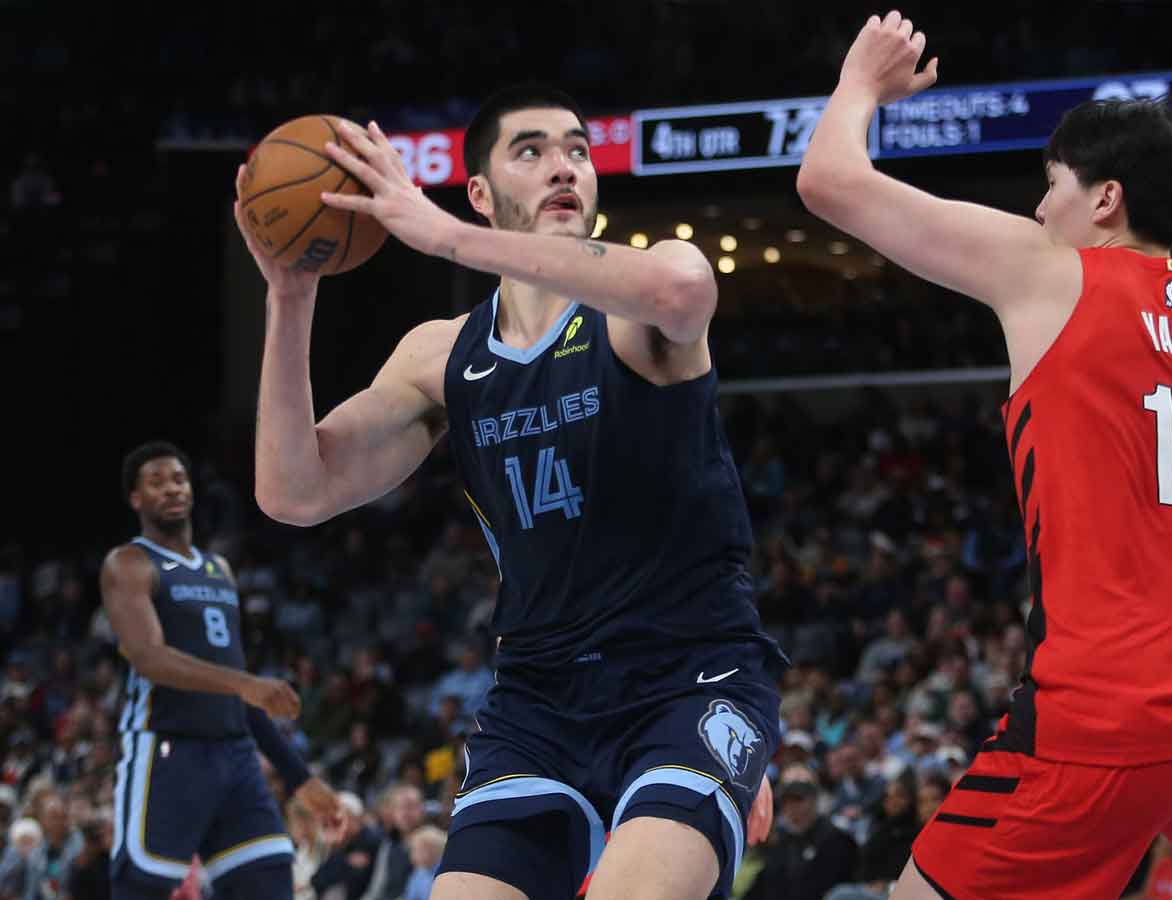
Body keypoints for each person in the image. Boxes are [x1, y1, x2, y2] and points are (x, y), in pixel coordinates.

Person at [797, 12, 1172, 898]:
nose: (1037, 206)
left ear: (1105, 199)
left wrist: (861, 80)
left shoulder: (1050, 271)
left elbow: (828, 181)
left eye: (1049, 184)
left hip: (1100, 722)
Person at [237, 83, 784, 900]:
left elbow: (682, 291)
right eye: (531, 152)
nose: (564, 167)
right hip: (539, 700)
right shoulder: (440, 354)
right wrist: (290, 296)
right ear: (484, 194)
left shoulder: (637, 302)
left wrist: (446, 238)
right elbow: (293, 491)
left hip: (688, 679)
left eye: (576, 150)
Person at [98, 442, 341, 900]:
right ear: (136, 498)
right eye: (157, 482)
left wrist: (299, 777)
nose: (172, 488)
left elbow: (242, 695)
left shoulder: (219, 570)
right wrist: (248, 684)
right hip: (167, 750)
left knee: (270, 881)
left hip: (235, 757)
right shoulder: (129, 563)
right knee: (140, 888)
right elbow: (148, 656)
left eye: (179, 479)